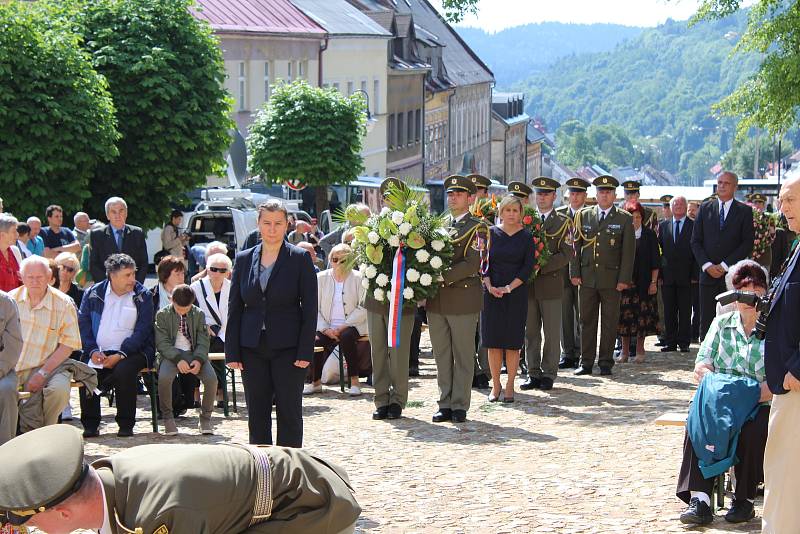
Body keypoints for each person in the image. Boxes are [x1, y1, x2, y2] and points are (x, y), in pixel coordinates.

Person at [0, 424, 361, 533]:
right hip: (287, 481)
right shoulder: (111, 474)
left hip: (308, 506)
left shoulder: (157, 516)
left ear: (63, 514)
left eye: (31, 522)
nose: (31, 530)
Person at [676, 260, 772, 526]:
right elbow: (702, 365)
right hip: (720, 403)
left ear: (765, 292)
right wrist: (727, 391)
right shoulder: (721, 323)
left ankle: (744, 500)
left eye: (756, 288)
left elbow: (774, 383)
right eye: (743, 288)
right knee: (696, 422)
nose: (750, 295)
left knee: (754, 430)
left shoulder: (774, 328)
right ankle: (700, 500)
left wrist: (744, 395)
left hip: (757, 403)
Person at [226, 199, 317, 447]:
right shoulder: (244, 259)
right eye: (267, 223)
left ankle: (289, 471)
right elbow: (235, 308)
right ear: (258, 224)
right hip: (251, 347)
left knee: (289, 412)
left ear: (287, 225)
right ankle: (262, 471)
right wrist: (231, 350)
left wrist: (305, 350)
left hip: (289, 348)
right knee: (257, 413)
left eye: (278, 223)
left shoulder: (299, 258)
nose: (272, 228)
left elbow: (310, 310)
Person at [427, 176, 488, 423]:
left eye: (458, 194)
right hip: (437, 299)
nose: (452, 198)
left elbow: (473, 262)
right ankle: (445, 402)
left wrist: (440, 275)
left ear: (470, 198)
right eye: (450, 194)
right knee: (441, 354)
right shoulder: (438, 224)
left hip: (463, 297)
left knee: (463, 354)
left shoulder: (479, 227)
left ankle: (460, 404)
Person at [78, 254, 155, 438]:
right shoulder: (93, 294)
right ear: (112, 275)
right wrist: (93, 350)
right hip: (99, 351)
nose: (133, 279)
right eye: (127, 275)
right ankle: (90, 424)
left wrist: (121, 354)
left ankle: (126, 423)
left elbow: (143, 331)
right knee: (84, 369)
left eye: (133, 274)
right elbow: (84, 325)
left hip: (134, 351)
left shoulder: (142, 295)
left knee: (123, 371)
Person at [761, 174, 800, 533]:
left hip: (796, 383)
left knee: (787, 478)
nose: (782, 207)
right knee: (781, 474)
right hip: (784, 381)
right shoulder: (795, 245)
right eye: (781, 200)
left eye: (790, 200)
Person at [570, 175, 635, 376]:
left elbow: (628, 252)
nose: (604, 195)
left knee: (609, 321)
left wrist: (624, 279)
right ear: (595, 194)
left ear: (615, 195)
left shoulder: (624, 218)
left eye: (608, 192)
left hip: (612, 280)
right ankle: (586, 362)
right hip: (588, 278)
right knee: (586, 320)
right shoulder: (583, 215)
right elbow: (575, 247)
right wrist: (575, 272)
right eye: (601, 191)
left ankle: (606, 362)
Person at [9, 256, 82, 429]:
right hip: (13, 365)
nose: (35, 281)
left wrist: (42, 373)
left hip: (50, 365)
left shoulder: (64, 303)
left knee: (58, 391)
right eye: (30, 277)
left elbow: (68, 345)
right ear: (21, 276)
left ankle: (46, 428)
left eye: (40, 277)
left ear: (50, 277)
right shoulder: (9, 300)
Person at [481, 195, 535, 403]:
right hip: (492, 293)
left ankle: (510, 385)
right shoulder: (491, 234)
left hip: (516, 294)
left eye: (515, 210)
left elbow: (527, 267)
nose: (511, 214)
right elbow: (484, 263)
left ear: (521, 213)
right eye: (507, 210)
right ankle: (496, 385)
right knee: (493, 342)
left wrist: (509, 288)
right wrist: (490, 286)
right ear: (500, 212)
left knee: (513, 343)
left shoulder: (526, 237)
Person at [520, 178, 573, 391]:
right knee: (530, 331)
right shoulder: (526, 220)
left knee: (551, 332)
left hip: (551, 283)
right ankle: (532, 372)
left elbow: (567, 252)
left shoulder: (563, 222)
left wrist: (541, 265)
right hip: (529, 285)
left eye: (546, 193)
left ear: (554, 196)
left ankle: (549, 372)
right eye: (539, 193)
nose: (542, 197)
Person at [690, 171, 754, 338]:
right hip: (707, 275)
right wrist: (707, 265)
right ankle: (705, 358)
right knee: (707, 320)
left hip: (732, 276)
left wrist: (725, 265)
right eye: (719, 183)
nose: (722, 186)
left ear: (735, 187)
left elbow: (747, 243)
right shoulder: (705, 208)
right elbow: (695, 241)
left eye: (726, 183)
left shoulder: (744, 211)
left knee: (731, 319)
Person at [307, 243, 368, 396]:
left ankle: (354, 381)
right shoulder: (320, 278)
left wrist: (343, 326)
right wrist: (325, 328)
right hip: (327, 326)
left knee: (347, 337)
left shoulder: (360, 278)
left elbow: (363, 307)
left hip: (353, 325)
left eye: (344, 260)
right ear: (330, 260)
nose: (339, 263)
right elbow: (314, 308)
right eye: (335, 259)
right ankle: (315, 382)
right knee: (314, 340)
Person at [156, 284, 217, 436]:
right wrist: (177, 359)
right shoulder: (162, 315)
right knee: (164, 378)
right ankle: (168, 418)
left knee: (211, 379)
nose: (183, 312)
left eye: (186, 308)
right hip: (171, 355)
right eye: (179, 308)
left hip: (194, 353)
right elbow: (162, 342)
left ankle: (205, 418)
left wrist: (198, 359)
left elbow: (203, 340)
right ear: (171, 300)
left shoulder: (199, 314)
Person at [615, 201, 660, 363]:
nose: (635, 220)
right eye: (632, 217)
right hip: (625, 283)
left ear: (642, 217)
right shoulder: (621, 234)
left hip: (644, 283)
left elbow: (656, 262)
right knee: (624, 319)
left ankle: (640, 351)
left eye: (638, 217)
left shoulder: (649, 235)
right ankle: (624, 352)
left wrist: (653, 282)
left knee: (642, 317)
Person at [557, 177, 590, 369]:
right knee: (564, 314)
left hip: (584, 272)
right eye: (572, 193)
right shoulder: (560, 215)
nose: (575, 196)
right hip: (561, 271)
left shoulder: (590, 215)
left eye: (579, 193)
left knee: (583, 314)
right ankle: (567, 352)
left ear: (585, 196)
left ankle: (581, 351)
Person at [191, 252, 232, 406]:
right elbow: (189, 313)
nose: (217, 273)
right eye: (214, 269)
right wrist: (203, 327)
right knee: (198, 348)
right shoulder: (195, 288)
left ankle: (220, 391)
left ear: (228, 272)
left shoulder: (232, 288)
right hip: (200, 332)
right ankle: (195, 391)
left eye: (222, 270)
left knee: (220, 346)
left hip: (225, 333)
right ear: (207, 270)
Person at [658, 196, 694, 353]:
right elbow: (659, 252)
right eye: (675, 204)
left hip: (687, 276)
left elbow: (696, 252)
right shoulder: (663, 226)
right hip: (667, 276)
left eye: (681, 204)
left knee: (685, 310)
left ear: (686, 207)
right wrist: (659, 274)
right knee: (669, 311)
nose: (678, 206)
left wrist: (694, 275)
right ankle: (670, 341)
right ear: (670, 207)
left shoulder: (694, 226)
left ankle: (684, 342)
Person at [467, 173, 494, 389]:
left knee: (484, 328)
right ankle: (471, 369)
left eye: (480, 191)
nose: (476, 196)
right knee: (468, 329)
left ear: (486, 194)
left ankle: (485, 369)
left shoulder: (494, 218)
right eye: (472, 192)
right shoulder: (458, 219)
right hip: (465, 282)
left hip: (487, 280)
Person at [89, 197, 149, 284]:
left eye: (121, 211)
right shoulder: (97, 234)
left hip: (132, 286)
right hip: (108, 287)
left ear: (126, 213)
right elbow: (94, 265)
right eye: (113, 212)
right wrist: (108, 286)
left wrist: (135, 284)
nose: (118, 215)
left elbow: (143, 262)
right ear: (107, 215)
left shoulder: (137, 233)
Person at [0, 291, 22, 445]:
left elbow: (13, 344)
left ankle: (5, 450)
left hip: (2, 368)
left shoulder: (6, 302)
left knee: (6, 389)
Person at [0, 214, 23, 293]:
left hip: (15, 302)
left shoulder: (15, 251)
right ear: (2, 235)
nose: (17, 235)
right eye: (14, 231)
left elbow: (21, 278)